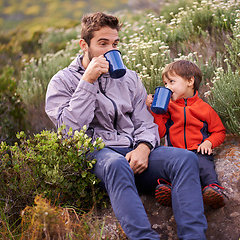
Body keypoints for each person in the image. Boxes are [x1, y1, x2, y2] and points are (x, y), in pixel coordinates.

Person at [45, 12, 208, 240]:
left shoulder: (129, 78)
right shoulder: (62, 81)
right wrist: (88, 82)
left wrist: (143, 147)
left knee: (185, 159)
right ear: (84, 45)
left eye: (115, 43)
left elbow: (145, 122)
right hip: (95, 156)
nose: (111, 50)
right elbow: (69, 132)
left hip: (132, 151)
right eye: (103, 43)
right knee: (116, 164)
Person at [146, 60, 227, 209]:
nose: (167, 87)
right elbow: (160, 132)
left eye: (171, 82)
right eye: (165, 84)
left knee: (204, 166)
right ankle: (168, 191)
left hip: (197, 150)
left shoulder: (204, 108)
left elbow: (219, 131)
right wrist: (156, 112)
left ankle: (213, 190)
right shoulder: (167, 107)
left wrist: (209, 142)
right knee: (168, 170)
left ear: (190, 81)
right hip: (174, 153)